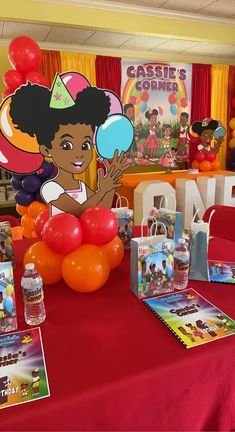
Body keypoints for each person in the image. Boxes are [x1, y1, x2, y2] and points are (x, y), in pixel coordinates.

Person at [10, 77, 130, 217]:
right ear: (46, 149)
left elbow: (102, 208)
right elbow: (79, 210)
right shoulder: (50, 188)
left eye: (85, 145)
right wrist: (102, 191)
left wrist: (110, 184)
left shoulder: (81, 186)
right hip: (60, 238)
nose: (79, 153)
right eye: (66, 145)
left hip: (86, 239)